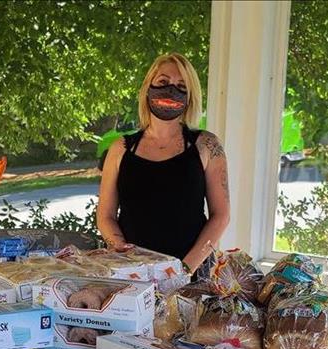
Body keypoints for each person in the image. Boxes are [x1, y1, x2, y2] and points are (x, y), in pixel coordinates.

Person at [97, 53, 230, 275]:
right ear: (148, 86)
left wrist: (184, 269)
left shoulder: (207, 145)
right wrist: (124, 255)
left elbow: (221, 215)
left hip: (192, 275)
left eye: (181, 86)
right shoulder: (120, 148)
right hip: (133, 275)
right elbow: (105, 216)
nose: (171, 90)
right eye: (163, 82)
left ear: (190, 96)